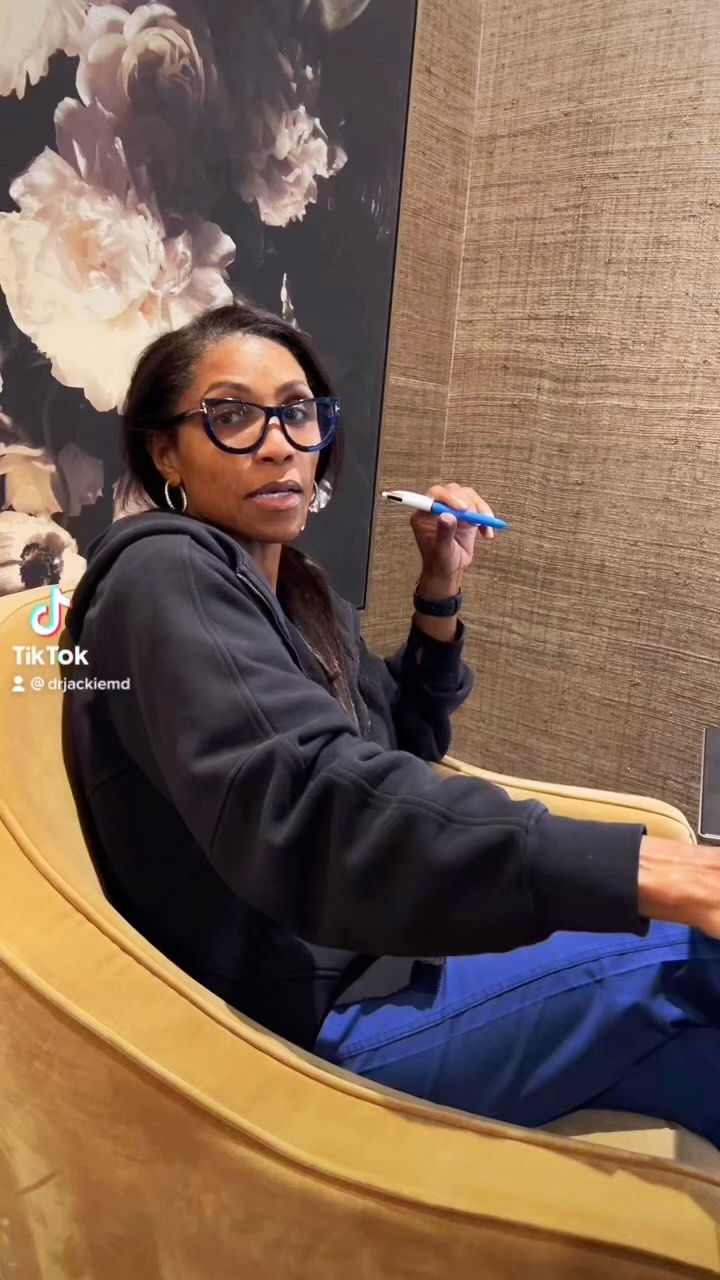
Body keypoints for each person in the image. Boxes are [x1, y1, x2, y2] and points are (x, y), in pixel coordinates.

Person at [63, 301, 720, 1146]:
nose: (279, 443)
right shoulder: (164, 574)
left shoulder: (297, 590)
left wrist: (439, 588)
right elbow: (315, 803)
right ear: (165, 452)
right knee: (689, 947)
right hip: (308, 1023)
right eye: (231, 416)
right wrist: (653, 868)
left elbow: (403, 741)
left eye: (297, 411)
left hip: (392, 949)